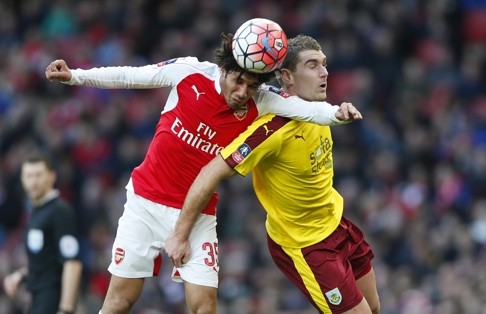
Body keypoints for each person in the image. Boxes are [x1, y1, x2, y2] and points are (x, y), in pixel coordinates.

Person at [45, 27, 359, 313]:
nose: (242, 92)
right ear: (225, 68)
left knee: (204, 307)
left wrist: (338, 112)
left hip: (197, 215)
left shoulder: (263, 101)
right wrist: (75, 76)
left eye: (251, 86)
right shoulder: (189, 72)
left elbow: (309, 109)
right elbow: (129, 76)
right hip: (145, 201)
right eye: (238, 81)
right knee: (119, 300)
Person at [165, 35, 380, 314]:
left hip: (336, 224)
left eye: (324, 64)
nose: (324, 72)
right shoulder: (271, 129)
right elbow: (210, 172)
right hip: (305, 244)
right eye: (312, 65)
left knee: (373, 307)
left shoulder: (320, 110)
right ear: (287, 76)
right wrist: (181, 234)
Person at [3, 151, 83, 314]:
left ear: (52, 177)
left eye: (38, 175)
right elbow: (46, 260)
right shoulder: (36, 213)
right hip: (37, 298)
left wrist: (65, 309)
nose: (33, 181)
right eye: (29, 176)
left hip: (53, 299)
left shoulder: (60, 211)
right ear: (22, 180)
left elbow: (72, 263)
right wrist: (20, 276)